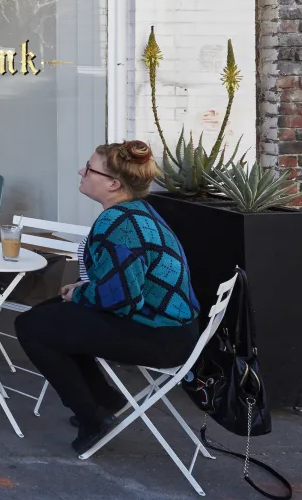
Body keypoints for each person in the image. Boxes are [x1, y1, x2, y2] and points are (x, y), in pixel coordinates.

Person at [15, 139, 199, 454]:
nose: (80, 171)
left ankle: (92, 417)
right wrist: (82, 292)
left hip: (158, 336)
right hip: (170, 327)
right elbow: (122, 286)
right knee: (50, 316)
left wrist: (84, 292)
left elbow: (122, 299)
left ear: (113, 183)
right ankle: (104, 400)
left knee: (33, 328)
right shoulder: (136, 211)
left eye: (88, 168)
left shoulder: (119, 224)